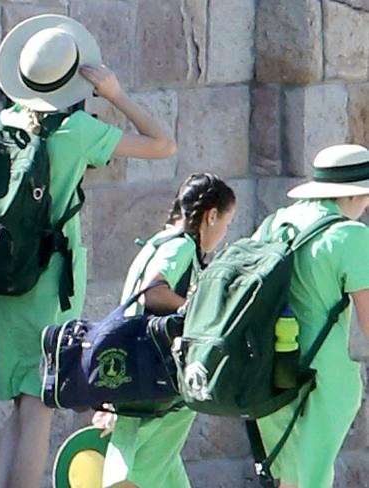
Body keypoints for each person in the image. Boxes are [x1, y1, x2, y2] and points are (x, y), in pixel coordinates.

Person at [0, 14, 177, 488]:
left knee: (21, 402)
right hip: (46, 279)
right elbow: (164, 145)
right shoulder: (76, 132)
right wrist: (115, 94)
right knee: (41, 401)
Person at [95, 173, 236, 488]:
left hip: (135, 375)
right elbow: (153, 291)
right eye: (226, 224)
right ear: (211, 216)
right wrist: (196, 312)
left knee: (156, 463)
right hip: (160, 379)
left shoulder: (156, 243)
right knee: (143, 470)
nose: (224, 233)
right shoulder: (181, 246)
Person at [253, 144, 369, 488]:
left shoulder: (277, 222)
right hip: (320, 375)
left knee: (290, 476)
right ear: (355, 194)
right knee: (312, 476)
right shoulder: (349, 235)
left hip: (269, 368)